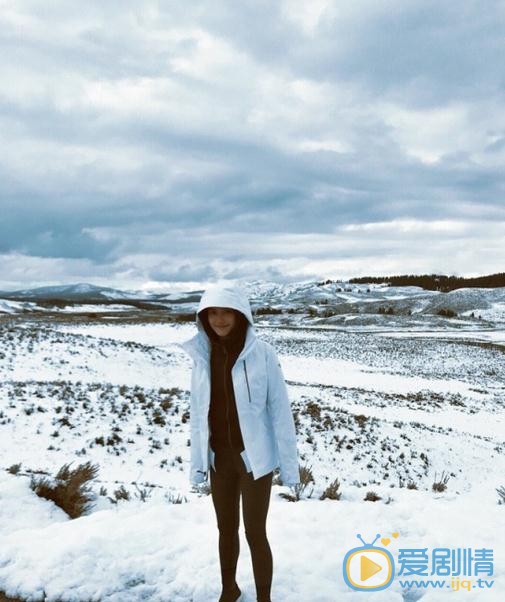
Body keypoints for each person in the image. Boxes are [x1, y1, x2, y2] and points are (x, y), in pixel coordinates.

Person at [180, 283, 300, 602]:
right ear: (204, 317)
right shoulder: (202, 357)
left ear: (240, 315)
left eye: (226, 313)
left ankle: (264, 598)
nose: (219, 320)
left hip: (253, 461)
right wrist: (198, 466)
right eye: (213, 313)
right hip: (220, 459)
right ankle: (228, 590)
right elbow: (197, 416)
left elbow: (281, 412)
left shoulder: (262, 354)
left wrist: (290, 471)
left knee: (255, 533)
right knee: (225, 531)